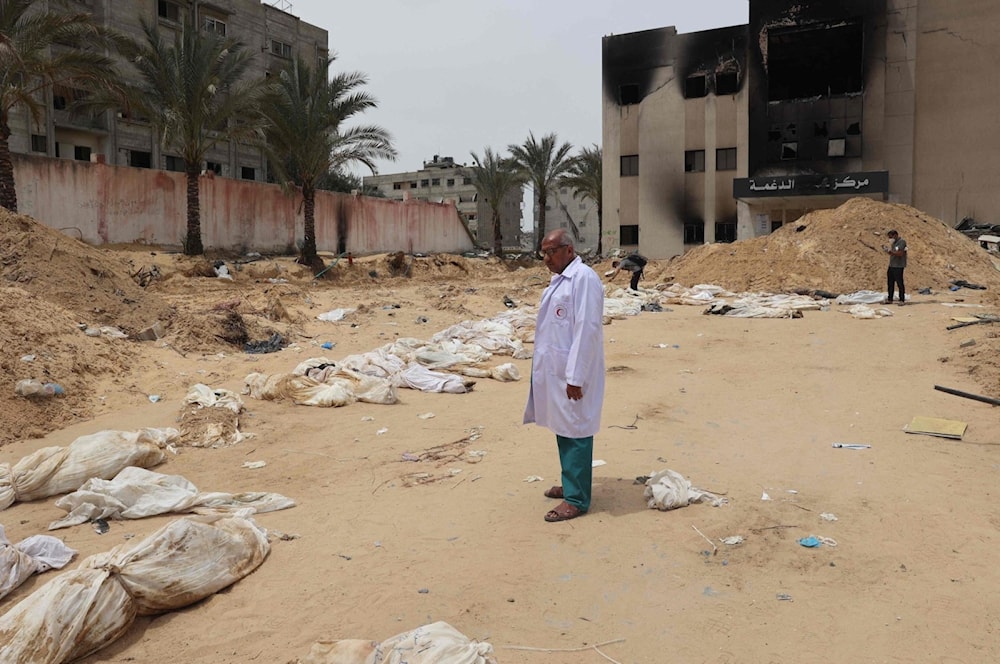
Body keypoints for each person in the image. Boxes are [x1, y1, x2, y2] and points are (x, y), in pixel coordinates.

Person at [524, 228, 606, 522]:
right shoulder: (560, 280)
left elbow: (587, 330)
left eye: (551, 252)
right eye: (543, 253)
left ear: (569, 250)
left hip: (573, 373)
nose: (546, 258)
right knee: (564, 427)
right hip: (558, 371)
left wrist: (575, 377)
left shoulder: (583, 280)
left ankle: (577, 499)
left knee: (577, 430)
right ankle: (572, 483)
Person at [883, 229, 907, 305]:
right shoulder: (894, 243)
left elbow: (900, 253)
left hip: (898, 266)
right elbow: (894, 253)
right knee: (890, 283)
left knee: (899, 283)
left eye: (891, 237)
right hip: (892, 265)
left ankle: (901, 299)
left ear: (895, 235)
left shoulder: (902, 242)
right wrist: (888, 251)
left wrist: (891, 252)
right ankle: (890, 298)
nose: (890, 239)